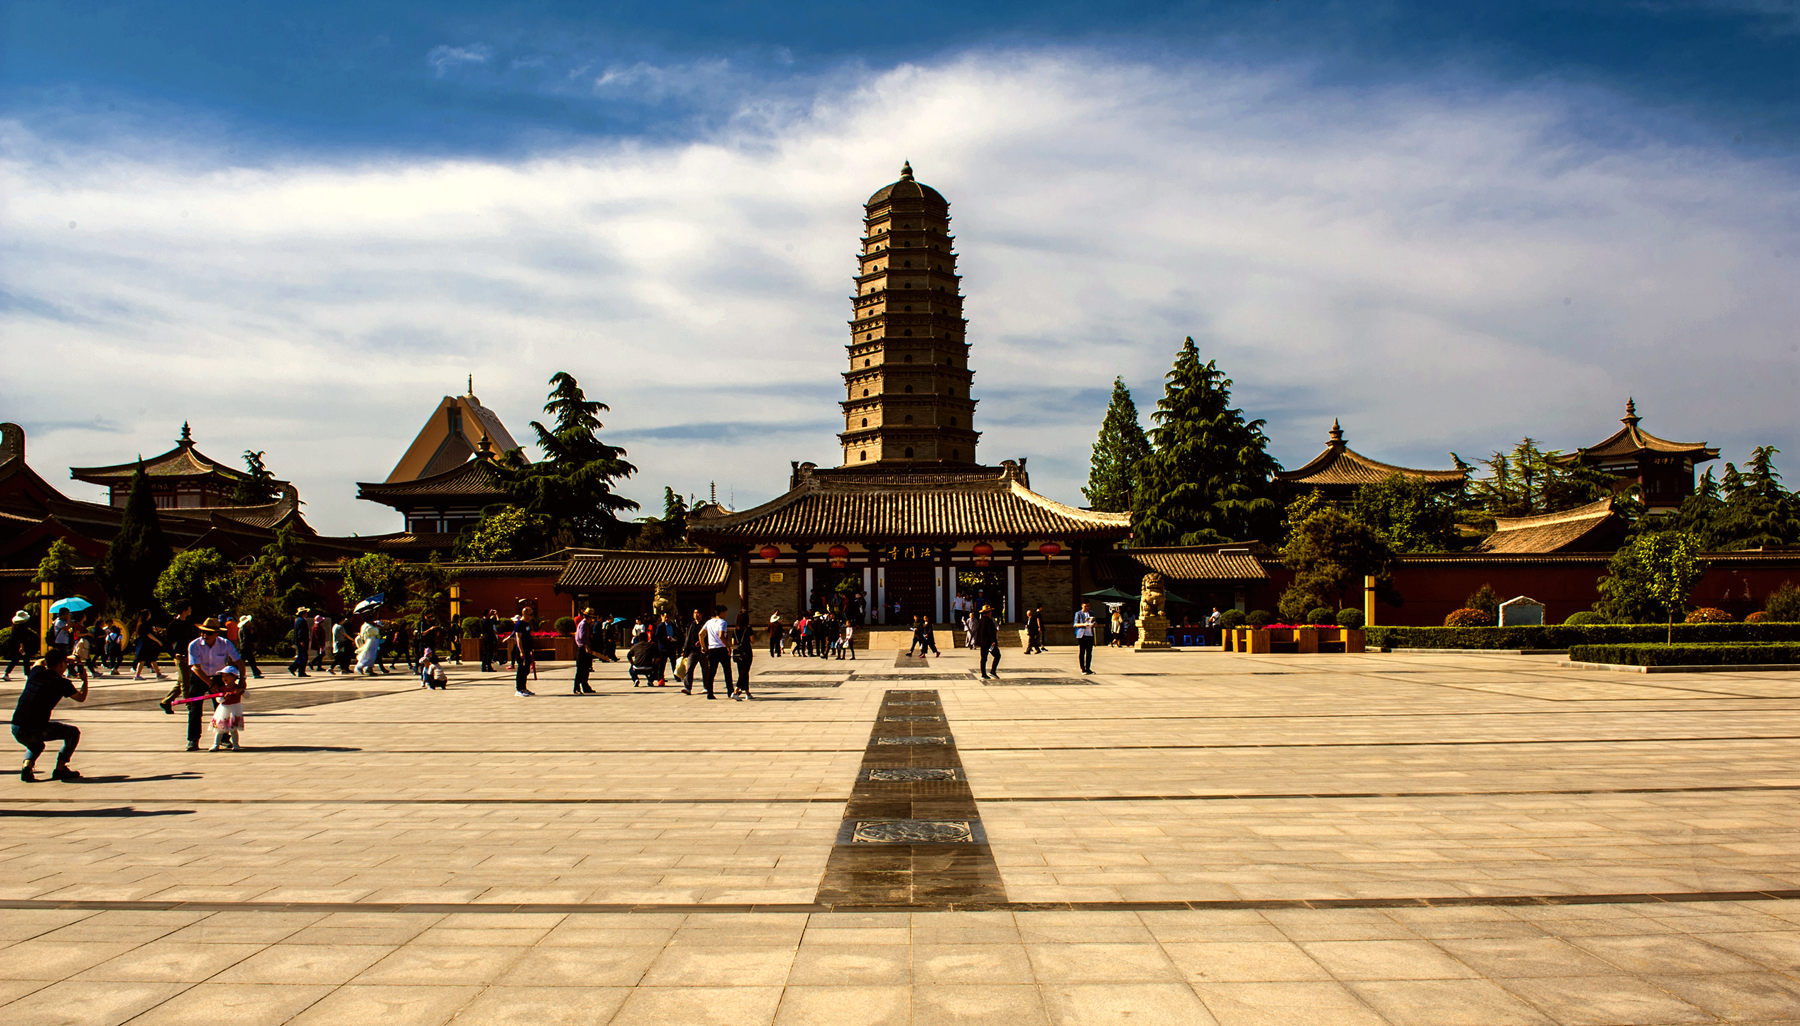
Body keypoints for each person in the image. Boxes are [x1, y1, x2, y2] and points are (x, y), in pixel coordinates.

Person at [11, 646, 88, 781]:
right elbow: (81, 697)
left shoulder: (36, 673)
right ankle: (60, 768)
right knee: (73, 732)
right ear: (60, 664)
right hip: (37, 728)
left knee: (37, 745)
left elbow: (39, 662)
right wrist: (85, 679)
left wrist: (60, 658)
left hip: (16, 726)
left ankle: (27, 767)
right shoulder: (62, 683)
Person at [186, 618, 243, 753]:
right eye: (203, 632)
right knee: (195, 709)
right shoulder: (194, 645)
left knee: (222, 708)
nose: (205, 636)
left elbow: (239, 662)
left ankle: (224, 738)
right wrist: (210, 684)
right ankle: (193, 739)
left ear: (217, 633)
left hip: (218, 677)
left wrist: (242, 679)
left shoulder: (225, 644)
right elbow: (196, 668)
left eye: (209, 633)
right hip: (200, 677)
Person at [208, 665, 246, 751]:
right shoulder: (222, 688)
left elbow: (247, 695)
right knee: (219, 729)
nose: (224, 678)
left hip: (234, 709)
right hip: (223, 709)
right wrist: (223, 698)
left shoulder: (237, 688)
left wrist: (242, 691)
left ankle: (236, 745)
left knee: (233, 729)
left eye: (227, 676)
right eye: (223, 676)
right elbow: (218, 699)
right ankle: (216, 744)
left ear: (234, 677)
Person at [697, 604, 730, 700]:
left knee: (711, 672)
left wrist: (703, 646)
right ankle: (730, 691)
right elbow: (721, 635)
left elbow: (700, 633)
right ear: (721, 613)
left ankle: (710, 692)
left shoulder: (709, 622)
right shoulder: (723, 622)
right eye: (725, 612)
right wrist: (728, 646)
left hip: (712, 649)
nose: (725, 614)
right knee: (727, 671)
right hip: (721, 648)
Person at [510, 607, 536, 697]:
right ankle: (519, 689)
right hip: (522, 650)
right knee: (521, 669)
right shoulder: (519, 624)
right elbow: (518, 638)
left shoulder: (527, 624)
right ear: (524, 614)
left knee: (526, 670)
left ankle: (524, 688)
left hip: (528, 649)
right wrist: (521, 651)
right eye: (530, 614)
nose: (531, 616)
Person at [680, 608, 705, 695]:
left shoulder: (704, 624)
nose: (696, 615)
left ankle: (706, 687)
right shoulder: (691, 625)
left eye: (698, 613)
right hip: (692, 651)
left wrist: (702, 642)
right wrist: (685, 649)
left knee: (705, 670)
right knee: (689, 669)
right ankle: (687, 687)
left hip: (703, 651)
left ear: (701, 614)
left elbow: (707, 635)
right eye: (695, 613)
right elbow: (688, 638)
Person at [572, 608, 597, 696]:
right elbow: (582, 637)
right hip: (583, 648)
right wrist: (586, 646)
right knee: (581, 669)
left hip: (585, 647)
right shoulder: (583, 624)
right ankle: (576, 687)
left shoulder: (586, 624)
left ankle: (585, 686)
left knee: (586, 669)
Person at [730, 611, 755, 700]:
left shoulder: (735, 629)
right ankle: (736, 691)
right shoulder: (748, 629)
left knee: (742, 672)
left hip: (738, 652)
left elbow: (733, 642)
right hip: (746, 651)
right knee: (744, 672)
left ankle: (747, 693)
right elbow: (752, 640)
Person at [2, 610, 30, 681]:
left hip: (14, 644)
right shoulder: (22, 627)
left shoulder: (15, 626)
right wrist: (22, 646)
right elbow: (22, 638)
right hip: (21, 645)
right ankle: (27, 674)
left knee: (15, 659)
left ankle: (6, 673)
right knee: (26, 659)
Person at [975, 605, 1001, 679]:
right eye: (990, 612)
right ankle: (992, 671)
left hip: (983, 643)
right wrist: (993, 641)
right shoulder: (988, 621)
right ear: (987, 613)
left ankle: (983, 674)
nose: (991, 613)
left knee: (983, 658)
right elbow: (990, 632)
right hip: (989, 643)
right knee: (997, 655)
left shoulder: (980, 621)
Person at [1074, 602, 1097, 675]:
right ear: (1082, 606)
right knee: (1082, 651)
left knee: (1089, 652)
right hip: (1082, 634)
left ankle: (1088, 668)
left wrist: (1094, 624)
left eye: (1088, 606)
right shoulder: (1078, 613)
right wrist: (1084, 624)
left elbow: (1095, 622)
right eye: (1085, 606)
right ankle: (1083, 668)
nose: (1086, 608)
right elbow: (1075, 624)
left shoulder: (1091, 613)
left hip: (1090, 634)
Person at [288, 608, 311, 676]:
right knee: (303, 657)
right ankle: (298, 670)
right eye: (306, 612)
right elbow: (301, 632)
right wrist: (301, 640)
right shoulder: (301, 621)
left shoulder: (298, 620)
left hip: (300, 641)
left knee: (301, 656)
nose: (307, 614)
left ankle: (295, 668)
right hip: (302, 641)